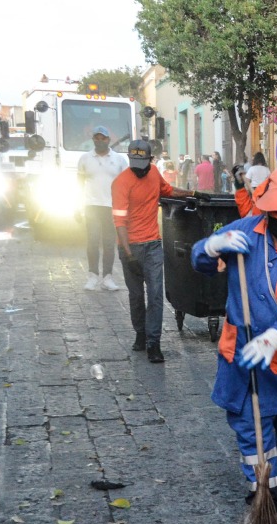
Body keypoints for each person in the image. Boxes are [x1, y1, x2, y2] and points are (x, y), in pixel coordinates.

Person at [191, 166, 277, 501]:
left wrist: (274, 338)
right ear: (267, 206)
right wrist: (210, 247)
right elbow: (201, 263)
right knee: (250, 427)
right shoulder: (245, 231)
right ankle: (263, 491)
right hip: (243, 355)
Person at [112, 139, 197, 363]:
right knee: (136, 296)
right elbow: (119, 222)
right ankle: (140, 334)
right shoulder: (120, 183)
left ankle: (153, 343)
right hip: (129, 247)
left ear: (151, 160)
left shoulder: (154, 174)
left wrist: (193, 192)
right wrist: (128, 255)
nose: (139, 169)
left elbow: (167, 190)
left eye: (143, 163)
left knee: (156, 295)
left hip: (152, 245)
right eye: (134, 163)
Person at [77, 125, 127, 292]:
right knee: (92, 241)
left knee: (108, 243)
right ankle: (92, 275)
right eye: (97, 138)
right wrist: (77, 206)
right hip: (91, 205)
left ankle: (107, 277)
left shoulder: (120, 160)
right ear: (93, 140)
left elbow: (126, 185)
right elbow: (79, 184)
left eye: (103, 138)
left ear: (108, 140)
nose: (100, 141)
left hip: (111, 206)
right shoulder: (84, 159)